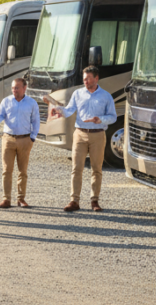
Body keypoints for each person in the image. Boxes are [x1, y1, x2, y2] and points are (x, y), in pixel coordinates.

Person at [43, 66, 116, 212]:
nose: (85, 82)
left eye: (88, 79)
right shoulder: (77, 94)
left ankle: (94, 201)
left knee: (96, 169)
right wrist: (57, 109)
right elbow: (69, 111)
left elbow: (113, 117)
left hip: (98, 135)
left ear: (96, 78)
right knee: (76, 168)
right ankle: (74, 201)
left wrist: (100, 119)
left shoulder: (106, 96)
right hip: (80, 134)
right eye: (84, 79)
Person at [0, 78, 40, 209]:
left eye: (17, 88)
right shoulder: (6, 101)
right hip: (8, 139)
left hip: (25, 139)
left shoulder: (32, 103)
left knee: (22, 171)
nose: (14, 90)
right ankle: (6, 199)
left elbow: (36, 121)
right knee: (6, 170)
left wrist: (32, 138)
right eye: (13, 88)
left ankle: (21, 199)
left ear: (24, 88)